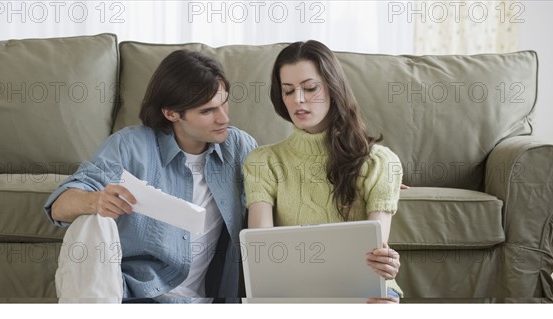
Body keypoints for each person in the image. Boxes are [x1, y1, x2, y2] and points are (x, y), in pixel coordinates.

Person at [45, 50, 257, 303]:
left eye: (224, 103)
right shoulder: (130, 146)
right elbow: (59, 206)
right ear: (171, 113)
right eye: (207, 111)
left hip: (207, 304)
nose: (224, 118)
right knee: (90, 221)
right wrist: (96, 201)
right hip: (137, 299)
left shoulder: (239, 147)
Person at [243, 40, 403, 301]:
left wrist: (386, 264)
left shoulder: (380, 162)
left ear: (333, 88)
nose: (299, 100)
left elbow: (373, 253)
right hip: (292, 293)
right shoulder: (262, 161)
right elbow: (262, 256)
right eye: (288, 90)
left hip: (363, 290)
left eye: (310, 88)